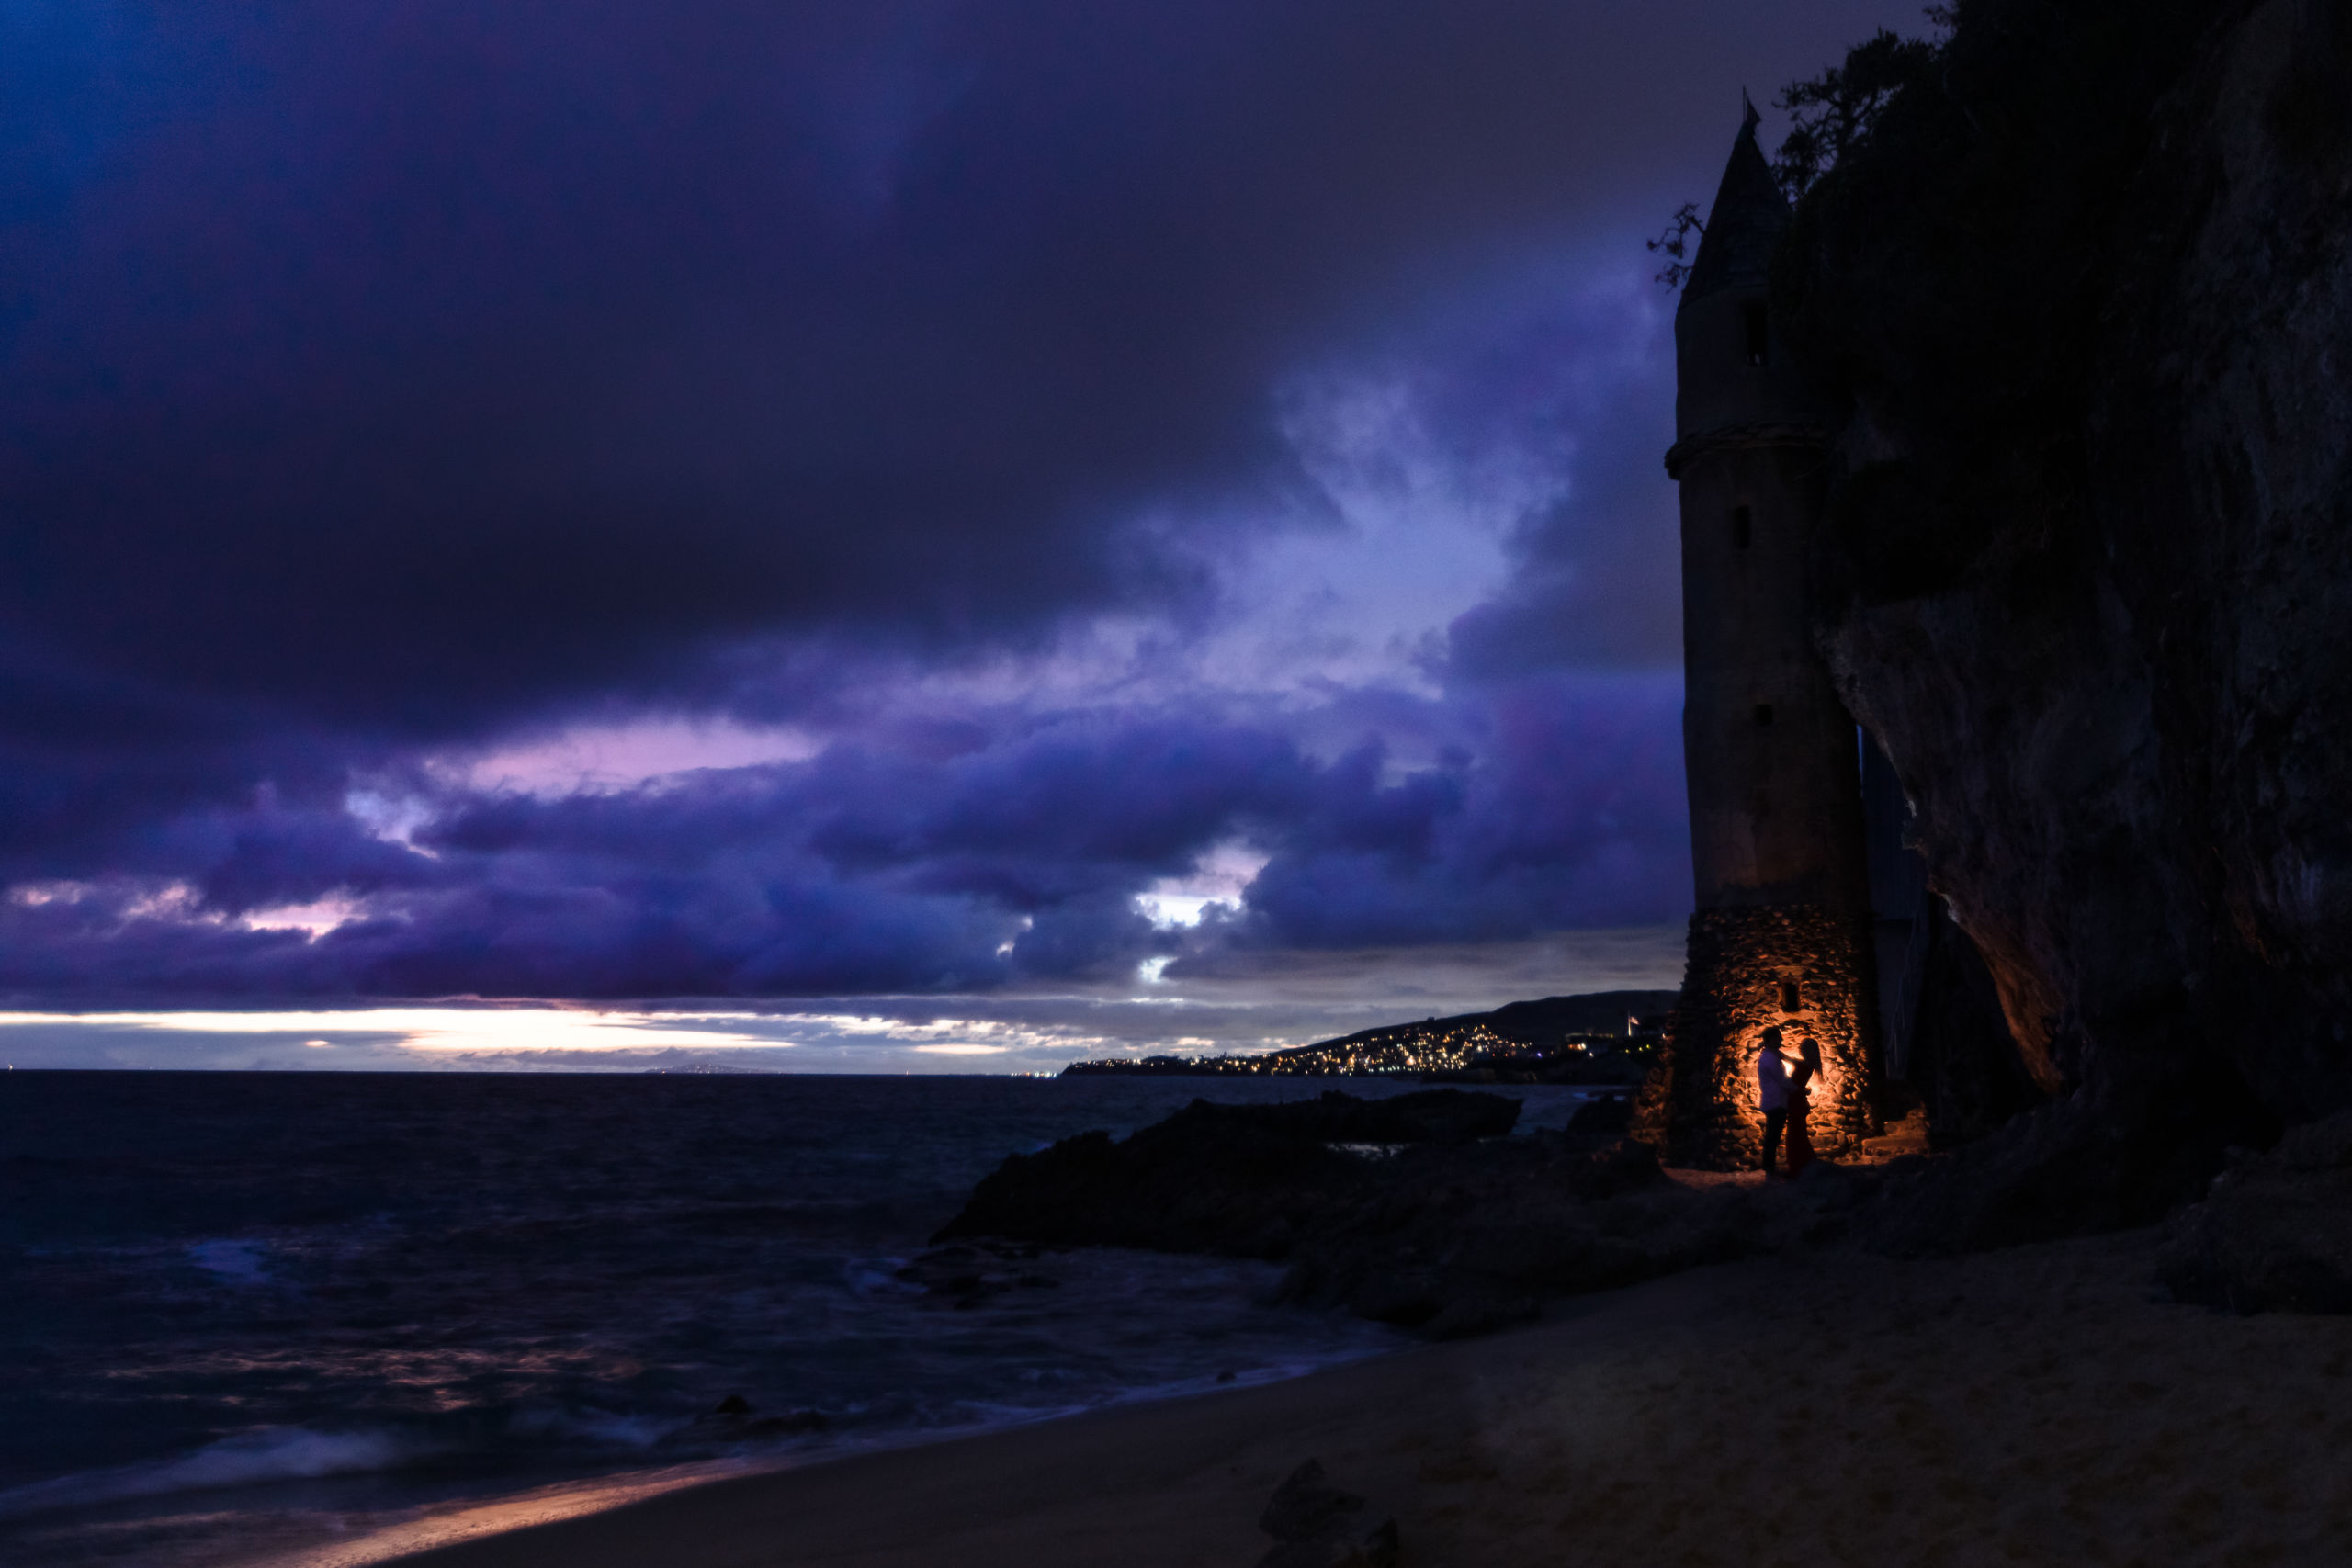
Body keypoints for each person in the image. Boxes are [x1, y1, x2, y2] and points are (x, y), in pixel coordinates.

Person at [1785, 1035, 1824, 1178]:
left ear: (1806, 1049)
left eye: (1802, 1046)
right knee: (1798, 1134)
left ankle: (1797, 1167)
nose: (1799, 1048)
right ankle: (1802, 1164)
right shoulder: (1809, 1065)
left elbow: (1786, 1058)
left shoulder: (1803, 1065)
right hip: (1798, 1101)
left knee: (1795, 1135)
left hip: (1796, 1102)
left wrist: (1771, 1049)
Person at [1754, 1027, 1790, 1176]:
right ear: (1771, 1039)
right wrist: (1801, 1090)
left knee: (1772, 1137)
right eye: (1779, 1037)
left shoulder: (1770, 1055)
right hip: (1775, 1102)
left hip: (1775, 1101)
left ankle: (1769, 1168)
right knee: (1772, 1138)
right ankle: (1769, 1169)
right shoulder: (1770, 1058)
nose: (1781, 1040)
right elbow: (1782, 1080)